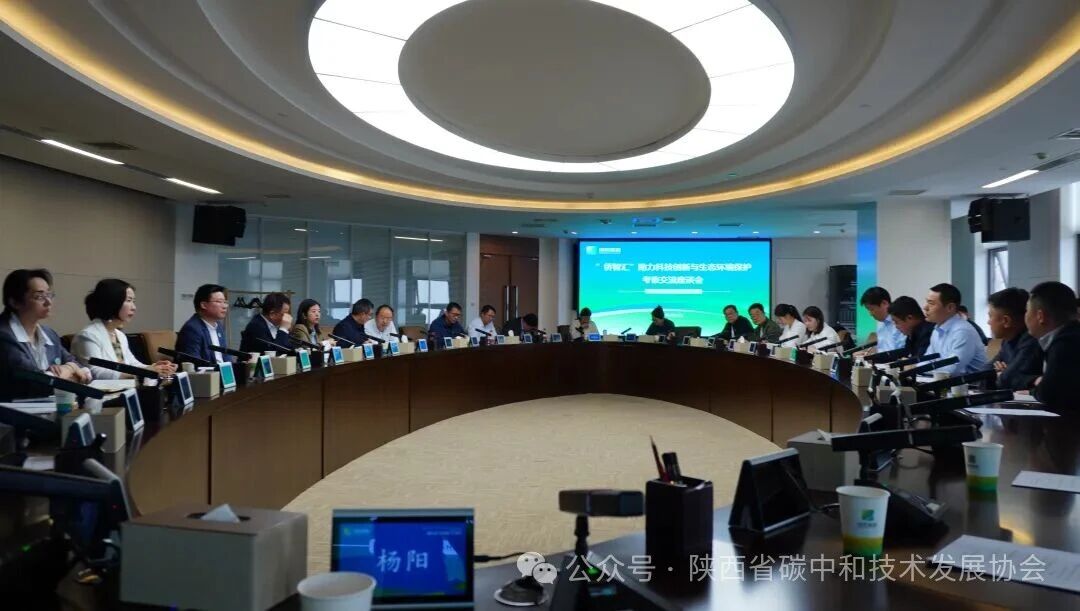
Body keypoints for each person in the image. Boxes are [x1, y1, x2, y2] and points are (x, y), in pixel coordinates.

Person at [0, 269, 91, 400]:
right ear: (15, 302)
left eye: (49, 295)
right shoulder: (4, 335)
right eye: (40, 297)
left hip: (50, 406)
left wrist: (69, 367)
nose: (49, 302)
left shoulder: (49, 334)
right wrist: (71, 370)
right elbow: (37, 382)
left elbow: (82, 370)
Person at [71, 278, 177, 380]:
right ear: (112, 302)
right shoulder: (88, 335)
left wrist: (155, 367)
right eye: (129, 300)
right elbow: (96, 373)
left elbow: (132, 364)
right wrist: (146, 371)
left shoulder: (119, 335)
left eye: (133, 301)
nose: (134, 307)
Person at [1025, 281, 1080, 408]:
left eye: (1026, 311)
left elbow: (1049, 394)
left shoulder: (1066, 343)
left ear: (1040, 316)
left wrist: (1034, 390)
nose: (1025, 316)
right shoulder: (1066, 336)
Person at [924, 283, 989, 376]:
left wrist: (920, 369)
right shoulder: (937, 330)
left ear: (950, 307)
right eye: (927, 302)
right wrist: (918, 368)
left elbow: (951, 369)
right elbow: (927, 360)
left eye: (931, 303)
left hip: (972, 384)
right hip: (948, 382)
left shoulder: (963, 331)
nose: (925, 307)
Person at [987, 288, 1042, 392]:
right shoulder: (1007, 340)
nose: (988, 322)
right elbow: (983, 372)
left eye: (990, 316)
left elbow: (1006, 380)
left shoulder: (1031, 341)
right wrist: (1003, 374)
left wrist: (1003, 374)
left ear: (1006, 321)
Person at [175, 283, 230, 365]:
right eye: (219, 302)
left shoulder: (218, 326)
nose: (225, 306)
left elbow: (226, 357)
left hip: (221, 371)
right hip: (207, 372)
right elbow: (195, 364)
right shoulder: (192, 329)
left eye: (225, 302)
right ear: (203, 305)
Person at [860, 287, 905, 352]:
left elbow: (903, 353)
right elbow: (882, 350)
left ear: (884, 303)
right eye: (868, 310)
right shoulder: (880, 324)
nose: (870, 314)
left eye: (872, 309)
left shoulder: (900, 323)